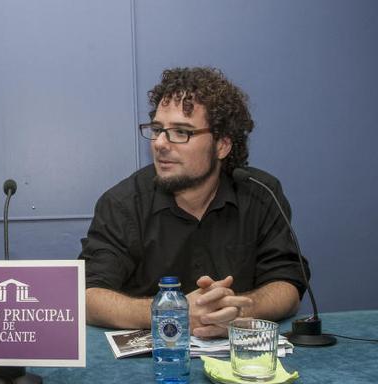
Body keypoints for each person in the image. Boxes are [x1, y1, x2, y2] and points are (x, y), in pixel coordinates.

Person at [79, 67, 308, 338]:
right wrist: (171, 311)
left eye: (181, 132)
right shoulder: (122, 203)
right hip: (153, 366)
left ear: (222, 145)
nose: (160, 144)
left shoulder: (261, 193)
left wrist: (238, 311)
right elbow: (87, 297)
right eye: (157, 129)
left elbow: (288, 287)